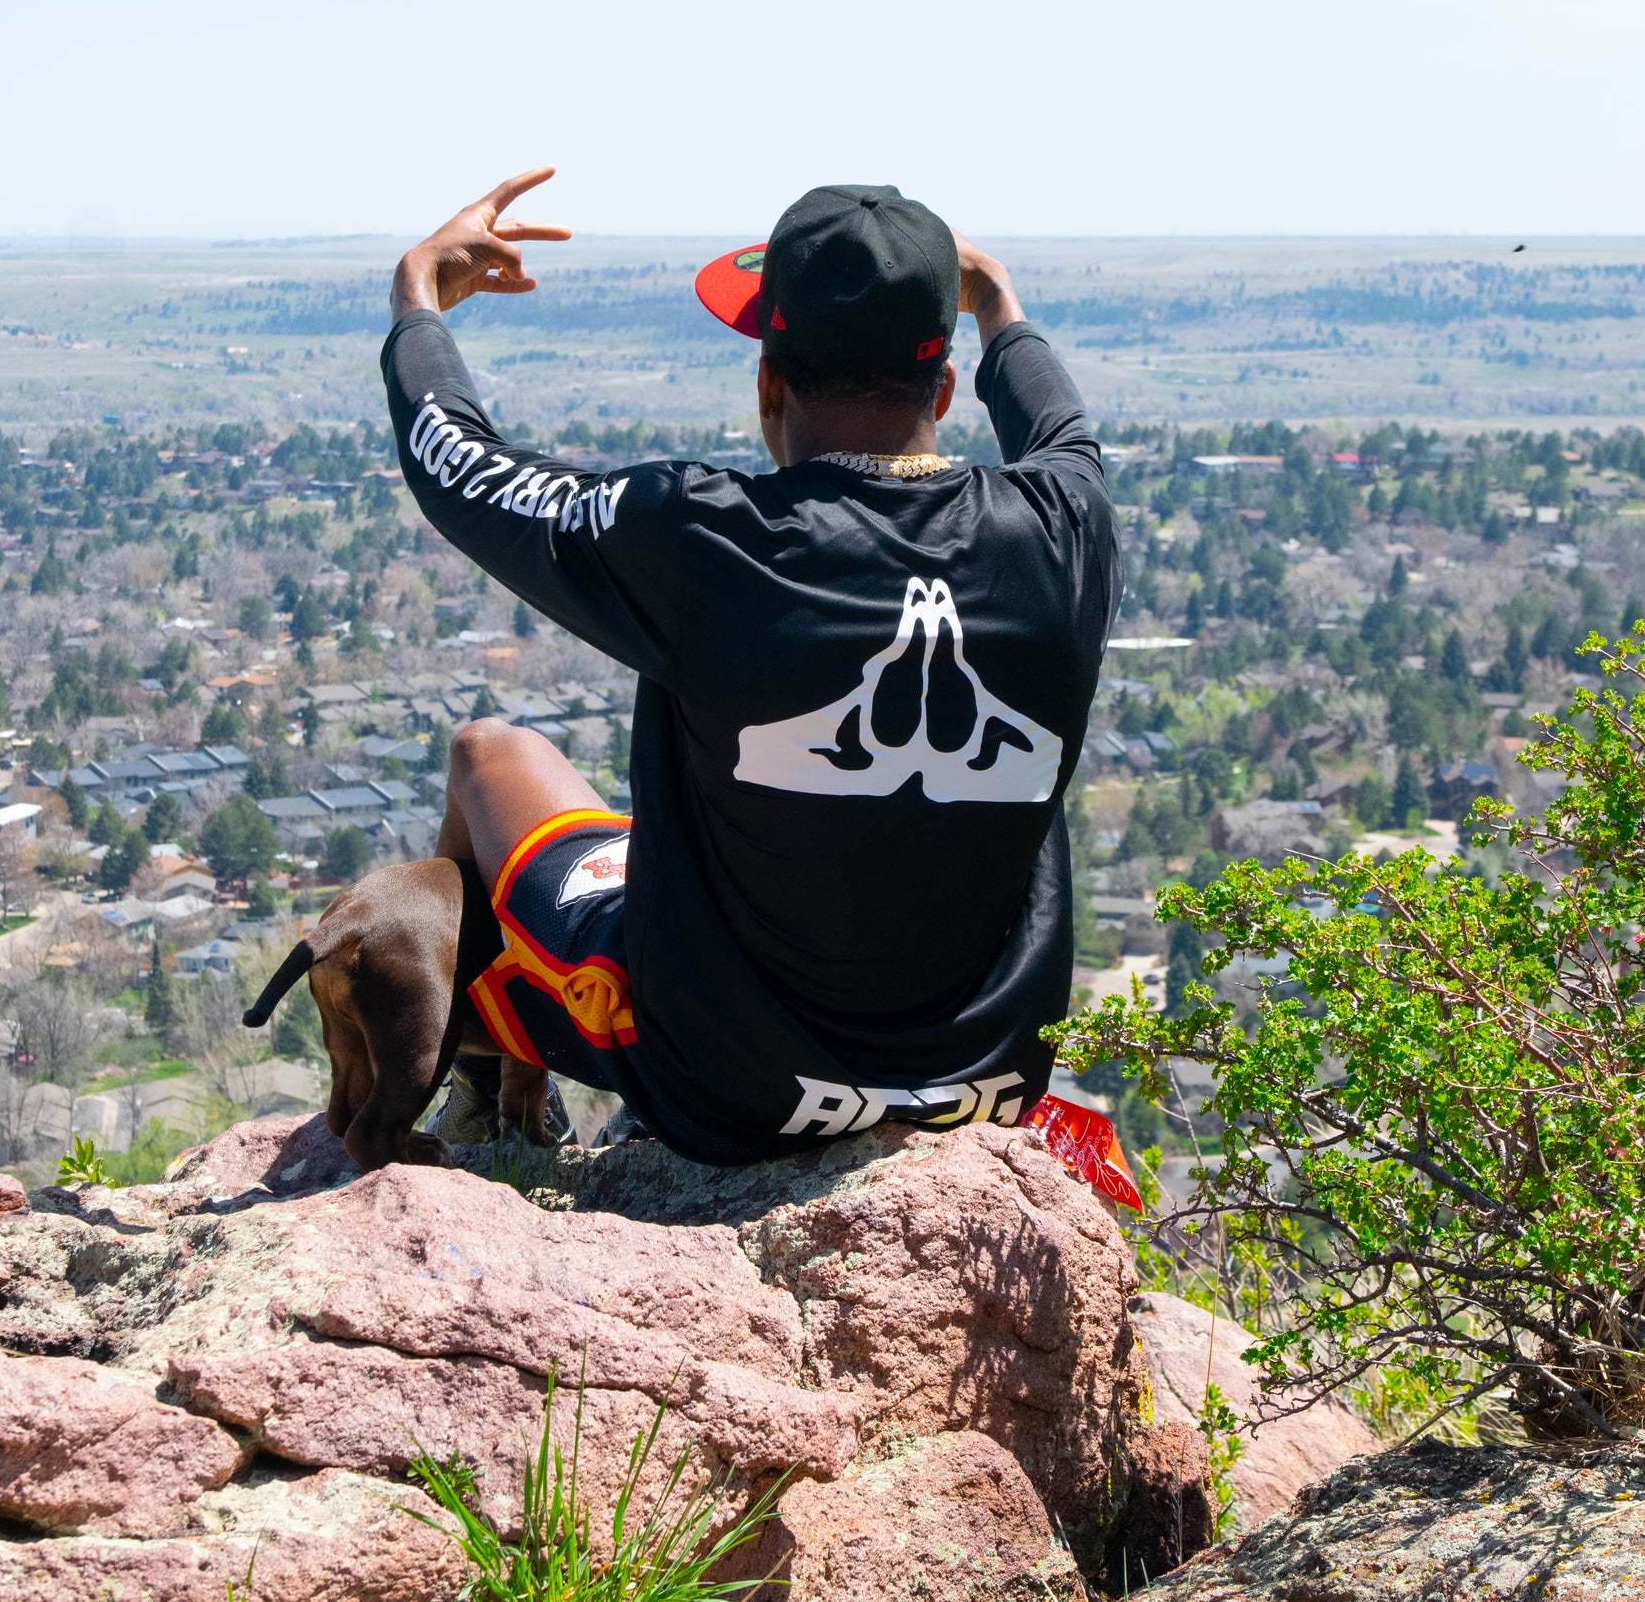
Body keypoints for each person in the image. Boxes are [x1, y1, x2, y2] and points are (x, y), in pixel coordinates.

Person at [384, 168, 1119, 1165]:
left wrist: (418, 297)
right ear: (942, 389)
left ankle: (480, 1096)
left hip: (730, 1088)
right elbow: (1059, 430)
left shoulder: (707, 540)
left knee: (489, 754)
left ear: (769, 382)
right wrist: (997, 303)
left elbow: (459, 463)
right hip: (982, 1082)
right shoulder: (1062, 529)